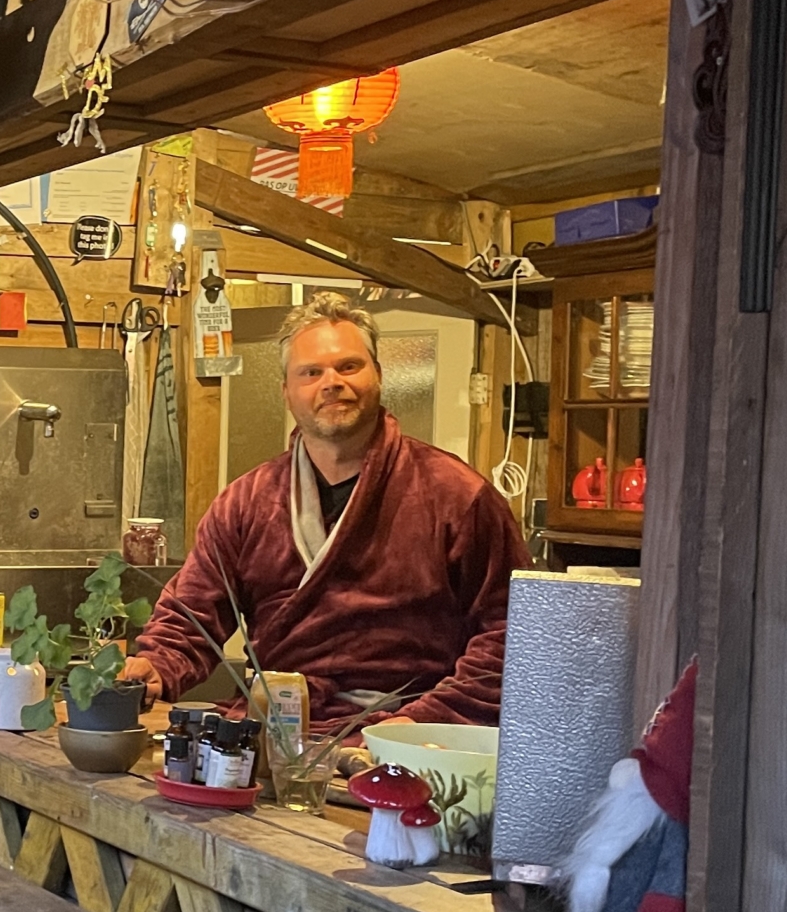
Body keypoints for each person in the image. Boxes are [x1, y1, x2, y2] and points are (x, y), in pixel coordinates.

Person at [119, 294, 529, 726]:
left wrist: (431, 719)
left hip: (403, 732)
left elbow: (510, 631)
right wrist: (158, 667)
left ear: (378, 376)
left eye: (348, 366)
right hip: (276, 728)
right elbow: (192, 615)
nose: (331, 382)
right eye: (311, 373)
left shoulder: (457, 495)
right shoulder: (246, 502)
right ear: (286, 392)